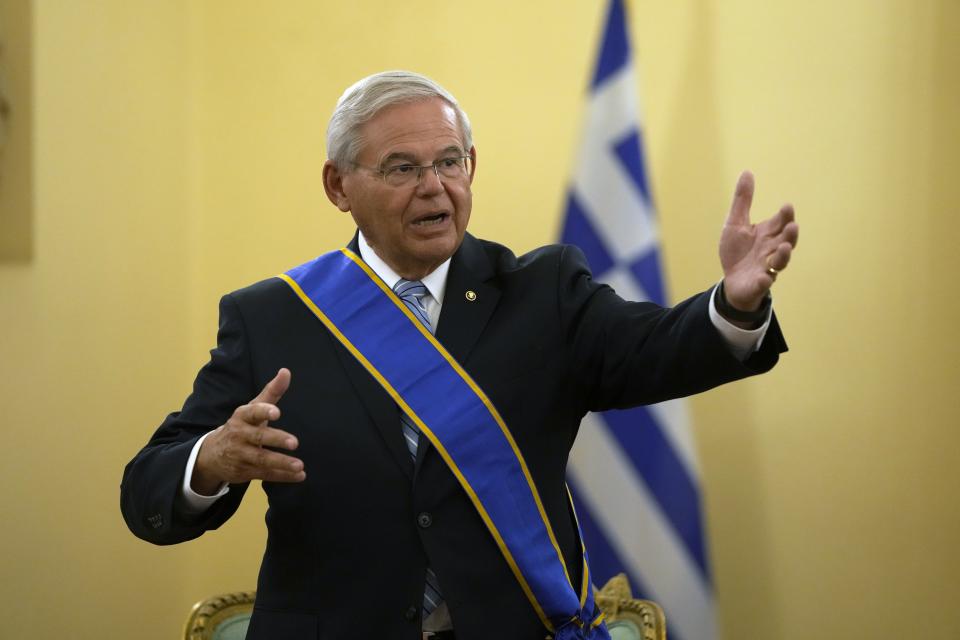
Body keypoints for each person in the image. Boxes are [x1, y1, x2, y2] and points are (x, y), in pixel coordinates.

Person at [121, 70, 798, 640]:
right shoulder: (272, 316)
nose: (435, 186)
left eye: (451, 161)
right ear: (338, 186)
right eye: (402, 168)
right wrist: (208, 460)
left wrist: (734, 305)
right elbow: (147, 489)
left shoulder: (544, 294)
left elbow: (662, 351)